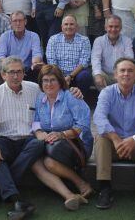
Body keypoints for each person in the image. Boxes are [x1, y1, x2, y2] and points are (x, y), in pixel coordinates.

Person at [0, 56, 45, 220]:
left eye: (19, 72)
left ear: (24, 73)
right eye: (11, 72)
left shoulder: (35, 89)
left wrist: (74, 92)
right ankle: (17, 201)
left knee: (38, 144)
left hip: (28, 140)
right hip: (5, 140)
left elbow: (52, 98)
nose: (16, 76)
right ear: (3, 75)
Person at [93, 57, 135, 211]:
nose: (126, 74)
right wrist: (115, 138)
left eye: (130, 71)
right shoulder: (106, 93)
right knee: (101, 137)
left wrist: (134, 139)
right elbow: (99, 117)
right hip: (114, 147)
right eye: (122, 70)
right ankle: (104, 188)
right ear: (115, 75)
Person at [31, 64, 94, 211]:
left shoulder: (71, 96)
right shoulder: (41, 98)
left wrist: (62, 134)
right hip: (52, 145)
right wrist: (39, 132)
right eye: (45, 80)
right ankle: (70, 195)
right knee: (37, 163)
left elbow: (83, 126)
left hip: (78, 145)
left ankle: (81, 184)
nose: (49, 84)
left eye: (53, 80)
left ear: (60, 81)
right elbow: (36, 121)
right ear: (41, 83)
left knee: (48, 159)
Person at [46, 15, 93, 99]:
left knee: (85, 76)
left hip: (77, 74)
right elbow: (51, 61)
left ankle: (80, 99)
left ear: (77, 27)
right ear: (62, 27)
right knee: (48, 72)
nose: (69, 27)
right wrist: (61, 77)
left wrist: (70, 76)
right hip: (59, 74)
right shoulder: (53, 39)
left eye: (71, 24)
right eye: (66, 24)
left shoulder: (84, 40)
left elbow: (84, 62)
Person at [0, 11, 44, 81]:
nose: (18, 23)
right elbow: (1, 56)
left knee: (39, 68)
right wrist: (14, 68)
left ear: (25, 22)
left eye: (20, 21)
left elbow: (37, 54)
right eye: (15, 21)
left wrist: (35, 62)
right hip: (10, 69)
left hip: (28, 70)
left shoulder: (33, 36)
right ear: (11, 23)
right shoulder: (5, 36)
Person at [91, 15, 133, 90]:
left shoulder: (127, 41)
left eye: (116, 27)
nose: (113, 29)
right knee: (96, 74)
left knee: (133, 74)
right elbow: (95, 59)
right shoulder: (99, 41)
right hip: (105, 75)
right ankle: (105, 99)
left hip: (121, 75)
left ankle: (124, 99)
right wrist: (97, 75)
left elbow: (130, 60)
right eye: (110, 26)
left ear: (121, 28)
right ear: (105, 27)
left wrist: (122, 75)